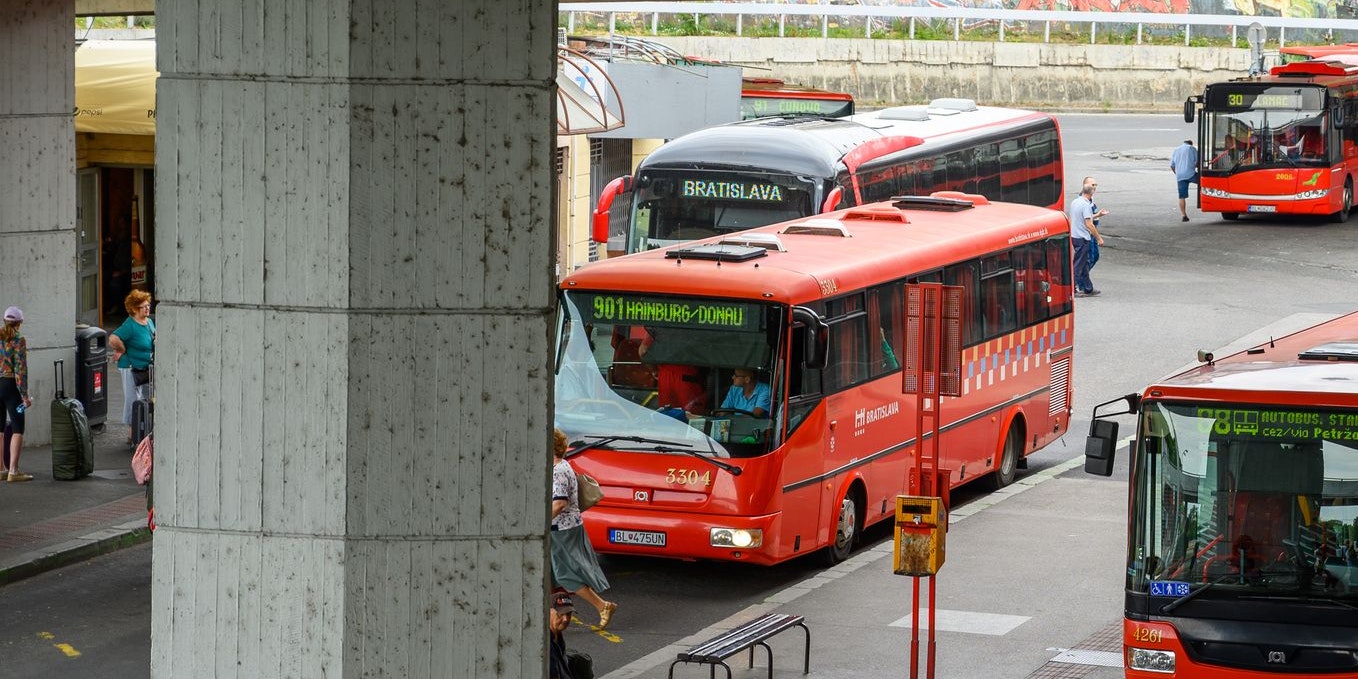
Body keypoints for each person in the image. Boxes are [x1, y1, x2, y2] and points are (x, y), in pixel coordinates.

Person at [550, 428, 618, 629]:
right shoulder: (564, 465)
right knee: (552, 575)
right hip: (567, 527)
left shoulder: (558, 471)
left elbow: (559, 503)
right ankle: (555, 614)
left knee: (564, 575)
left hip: (561, 529)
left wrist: (540, 524)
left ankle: (602, 606)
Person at [109, 290, 155, 445]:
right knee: (132, 398)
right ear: (135, 309)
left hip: (145, 366)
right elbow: (114, 338)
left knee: (147, 397)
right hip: (130, 367)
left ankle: (145, 430)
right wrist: (121, 350)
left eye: (148, 305)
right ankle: (132, 434)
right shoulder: (130, 325)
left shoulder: (148, 322)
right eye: (144, 307)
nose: (148, 309)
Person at [0, 307, 33, 482]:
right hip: (10, 385)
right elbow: (20, 369)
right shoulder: (19, 339)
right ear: (19, 323)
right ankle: (13, 470)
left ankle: (0, 469)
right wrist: (25, 396)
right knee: (17, 428)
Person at [1066, 184, 1103, 297]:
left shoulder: (1075, 202)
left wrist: (1098, 215)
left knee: (1084, 263)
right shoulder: (1086, 205)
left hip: (1075, 235)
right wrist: (1099, 238)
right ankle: (1072, 289)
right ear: (1091, 193)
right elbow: (1089, 224)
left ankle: (1088, 287)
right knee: (1078, 264)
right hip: (1083, 237)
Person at [1082, 176, 1110, 270]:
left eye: (1095, 185)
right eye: (1092, 184)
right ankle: (1080, 280)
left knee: (1095, 256)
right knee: (1090, 258)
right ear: (1085, 186)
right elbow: (1087, 220)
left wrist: (1098, 215)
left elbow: (1089, 216)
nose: (1094, 187)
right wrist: (1099, 238)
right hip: (1089, 233)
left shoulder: (1090, 199)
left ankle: (1082, 278)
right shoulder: (1084, 201)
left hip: (1092, 232)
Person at [1169, 139, 1199, 222]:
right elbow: (1197, 162)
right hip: (1191, 174)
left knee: (1181, 196)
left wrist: (1177, 174)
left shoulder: (1176, 150)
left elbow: (1172, 165)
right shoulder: (1192, 148)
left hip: (1180, 176)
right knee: (1204, 182)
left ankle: (1184, 215)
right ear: (1191, 144)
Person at [548, 589, 576, 679]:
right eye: (560, 614)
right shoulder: (544, 643)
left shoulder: (558, 636)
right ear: (548, 612)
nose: (565, 619)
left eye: (568, 614)